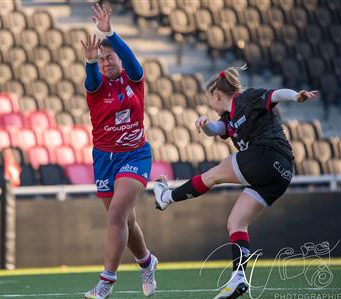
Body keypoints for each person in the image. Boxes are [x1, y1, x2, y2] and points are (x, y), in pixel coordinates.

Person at [153, 65, 317, 299]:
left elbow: (276, 95)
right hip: (281, 175)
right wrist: (205, 124)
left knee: (214, 174)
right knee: (236, 223)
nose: (209, 104)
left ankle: (166, 197)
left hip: (268, 155)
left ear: (217, 95)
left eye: (209, 99)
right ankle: (238, 277)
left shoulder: (246, 98)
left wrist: (296, 96)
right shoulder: (228, 118)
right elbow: (217, 128)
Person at [81, 3, 158, 298]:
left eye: (109, 57)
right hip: (104, 159)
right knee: (126, 221)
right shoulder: (96, 87)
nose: (105, 62)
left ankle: (106, 282)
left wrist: (109, 33)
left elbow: (129, 58)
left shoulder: (134, 80)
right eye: (101, 60)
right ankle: (147, 262)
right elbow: (91, 79)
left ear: (119, 59)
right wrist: (89, 62)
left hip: (135, 155)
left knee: (115, 215)